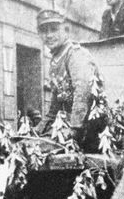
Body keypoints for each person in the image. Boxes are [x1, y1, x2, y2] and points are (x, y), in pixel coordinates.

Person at [35, 9, 103, 152]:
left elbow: (83, 93)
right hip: (70, 125)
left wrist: (74, 128)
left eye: (54, 30)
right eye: (44, 31)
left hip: (90, 128)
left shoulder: (75, 55)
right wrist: (38, 130)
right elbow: (55, 107)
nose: (49, 36)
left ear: (65, 30)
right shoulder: (55, 60)